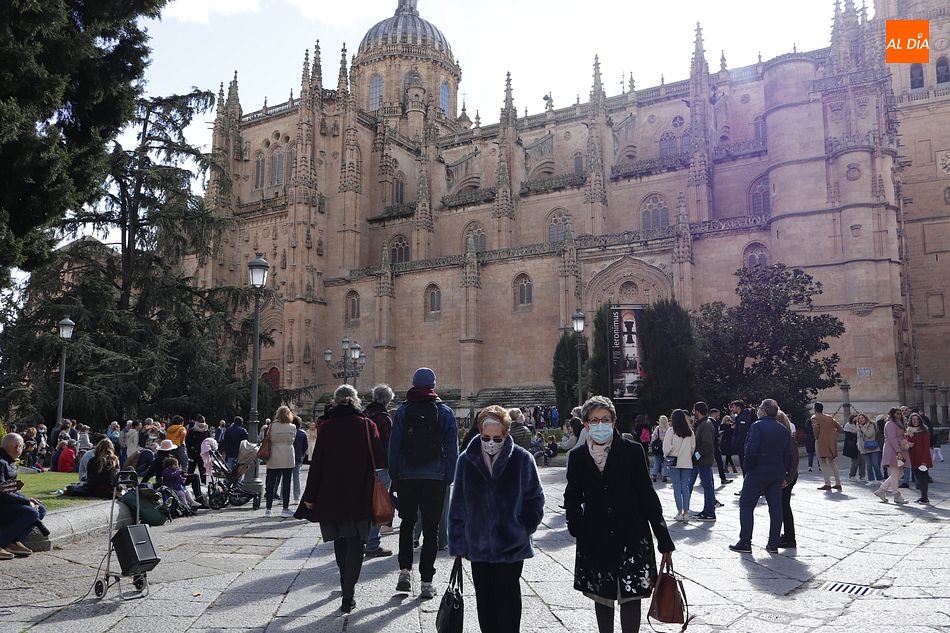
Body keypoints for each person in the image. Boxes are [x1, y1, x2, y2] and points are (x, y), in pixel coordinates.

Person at [565, 396, 674, 633]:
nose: (600, 424)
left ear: (613, 422)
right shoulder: (577, 457)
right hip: (596, 536)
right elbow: (572, 495)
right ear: (585, 425)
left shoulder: (632, 452)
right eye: (594, 420)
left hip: (632, 534)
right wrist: (576, 526)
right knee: (602, 596)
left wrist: (663, 537)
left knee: (631, 594)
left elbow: (647, 496)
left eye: (605, 419)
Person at [449, 405, 545, 633]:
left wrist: (522, 528)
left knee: (508, 599)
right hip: (478, 545)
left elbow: (536, 499)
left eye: (496, 438)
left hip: (510, 544)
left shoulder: (523, 459)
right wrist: (458, 542)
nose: (490, 442)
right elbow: (458, 505)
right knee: (485, 601)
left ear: (506, 434)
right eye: (485, 437)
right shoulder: (466, 460)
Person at [295, 384, 382, 614]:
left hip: (331, 493)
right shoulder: (366, 425)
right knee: (356, 542)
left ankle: (345, 584)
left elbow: (317, 465)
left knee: (340, 540)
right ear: (355, 401)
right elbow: (380, 459)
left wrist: (310, 497)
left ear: (334, 401)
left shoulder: (328, 427)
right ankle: (348, 594)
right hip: (360, 493)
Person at [388, 367, 459, 600]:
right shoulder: (445, 412)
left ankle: (404, 572)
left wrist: (395, 475)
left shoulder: (402, 412)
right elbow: (452, 448)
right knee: (431, 529)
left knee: (407, 524)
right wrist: (449, 475)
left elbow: (394, 446)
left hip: (407, 476)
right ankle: (427, 582)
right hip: (435, 477)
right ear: (433, 385)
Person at [729, 399, 792, 554]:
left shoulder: (757, 426)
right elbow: (787, 454)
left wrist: (748, 467)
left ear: (763, 411)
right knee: (775, 509)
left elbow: (751, 450)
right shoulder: (783, 429)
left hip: (758, 471)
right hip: (776, 472)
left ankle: (745, 542)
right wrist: (784, 472)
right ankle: (773, 543)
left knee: (746, 505)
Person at [0, 434, 47, 559]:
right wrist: (26, 502)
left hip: (4, 503)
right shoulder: (1, 463)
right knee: (32, 513)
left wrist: (28, 500)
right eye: (22, 446)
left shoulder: (7, 461)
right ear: (17, 447)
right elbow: (3, 492)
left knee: (40, 508)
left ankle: (13, 540)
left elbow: (10, 489)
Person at [364, 384, 395, 559]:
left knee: (367, 503)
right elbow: (388, 445)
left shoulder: (364, 414)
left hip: (363, 466)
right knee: (378, 505)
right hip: (380, 466)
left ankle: (364, 539)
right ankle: (373, 544)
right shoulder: (384, 418)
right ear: (388, 400)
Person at [663, 409, 696, 522]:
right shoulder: (690, 432)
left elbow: (666, 447)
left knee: (676, 487)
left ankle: (679, 512)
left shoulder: (671, 431)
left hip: (674, 461)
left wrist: (669, 453)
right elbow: (693, 448)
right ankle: (686, 512)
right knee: (685, 487)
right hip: (686, 461)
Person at [264, 405, 298, 518]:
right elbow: (293, 439)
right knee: (286, 483)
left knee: (271, 482)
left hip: (274, 454)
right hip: (288, 454)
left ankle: (268, 509)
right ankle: (285, 508)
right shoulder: (292, 427)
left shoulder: (272, 426)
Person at [689, 401, 717, 521]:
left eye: (694, 410)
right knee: (707, 486)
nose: (693, 413)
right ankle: (707, 510)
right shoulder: (703, 423)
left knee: (707, 487)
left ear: (698, 411)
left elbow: (707, 445)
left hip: (704, 461)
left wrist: (696, 456)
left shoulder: (705, 424)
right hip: (703, 461)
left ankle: (709, 512)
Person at [775, 410, 799, 549]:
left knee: (784, 507)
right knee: (784, 506)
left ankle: (790, 538)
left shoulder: (788, 438)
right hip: (787, 476)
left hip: (787, 477)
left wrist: (787, 479)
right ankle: (788, 535)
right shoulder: (786, 436)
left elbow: (794, 461)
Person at [875, 408, 909, 504]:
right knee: (895, 472)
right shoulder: (890, 424)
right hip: (893, 450)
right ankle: (896, 495)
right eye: (896, 414)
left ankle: (882, 490)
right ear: (892, 415)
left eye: (900, 413)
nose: (899, 415)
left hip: (899, 450)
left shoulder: (899, 423)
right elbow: (892, 439)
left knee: (900, 473)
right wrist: (898, 451)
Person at [812, 402, 843, 491]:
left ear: (815, 409)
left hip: (820, 442)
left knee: (823, 463)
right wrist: (833, 434)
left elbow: (816, 429)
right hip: (830, 442)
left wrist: (817, 437)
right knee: (832, 462)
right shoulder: (829, 418)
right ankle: (838, 483)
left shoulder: (814, 418)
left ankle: (827, 483)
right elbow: (840, 428)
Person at [906, 412, 933, 504]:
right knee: (918, 479)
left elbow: (926, 446)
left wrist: (924, 461)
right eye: (913, 419)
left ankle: (925, 498)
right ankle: (922, 497)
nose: (915, 421)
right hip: (913, 458)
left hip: (922, 458)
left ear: (920, 420)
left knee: (922, 479)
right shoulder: (909, 430)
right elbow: (907, 443)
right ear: (911, 420)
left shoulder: (924, 431)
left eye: (917, 419)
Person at [730, 400, 755, 473]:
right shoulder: (741, 417)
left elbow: (742, 434)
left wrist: (736, 445)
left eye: (733, 407)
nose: (732, 409)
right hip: (742, 447)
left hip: (743, 448)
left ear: (738, 408)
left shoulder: (743, 418)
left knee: (745, 468)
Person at [859, 414, 884, 484]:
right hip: (864, 447)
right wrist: (859, 446)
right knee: (868, 465)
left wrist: (863, 428)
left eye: (862, 418)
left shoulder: (871, 425)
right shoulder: (858, 427)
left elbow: (869, 434)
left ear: (866, 418)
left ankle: (879, 479)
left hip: (873, 447)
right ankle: (871, 480)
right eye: (859, 418)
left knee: (875, 464)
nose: (861, 420)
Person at [186, 416, 211, 483]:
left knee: (202, 469)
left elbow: (209, 441)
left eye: (202, 421)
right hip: (192, 453)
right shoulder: (192, 430)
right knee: (191, 469)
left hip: (203, 453)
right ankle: (188, 482)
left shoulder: (206, 431)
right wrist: (189, 450)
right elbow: (187, 441)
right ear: (196, 422)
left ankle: (203, 483)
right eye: (200, 421)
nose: (201, 423)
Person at [842, 414, 865, 482]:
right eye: (855, 419)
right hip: (853, 446)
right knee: (855, 462)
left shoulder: (860, 425)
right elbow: (848, 437)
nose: (856, 420)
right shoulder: (848, 426)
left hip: (861, 445)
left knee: (862, 461)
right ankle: (852, 475)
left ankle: (862, 476)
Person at [292, 415, 308, 502]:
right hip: (298, 456)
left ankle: (282, 497)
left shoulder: (289, 432)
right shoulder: (302, 433)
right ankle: (296, 497)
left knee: (285, 478)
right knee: (296, 477)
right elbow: (305, 447)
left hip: (287, 456)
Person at [650, 415, 669, 483]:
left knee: (657, 462)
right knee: (665, 463)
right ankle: (665, 476)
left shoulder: (657, 428)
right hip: (665, 448)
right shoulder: (668, 429)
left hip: (658, 448)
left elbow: (653, 438)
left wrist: (652, 443)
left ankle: (654, 475)